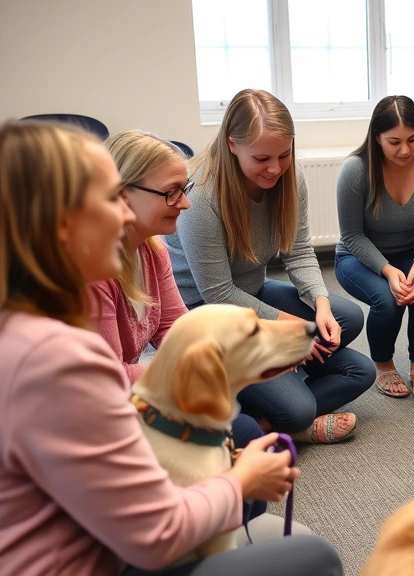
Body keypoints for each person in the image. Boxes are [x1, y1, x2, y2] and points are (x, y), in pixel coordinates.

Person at [0, 120, 342, 575]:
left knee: (235, 440)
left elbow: (177, 329)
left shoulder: (28, 326)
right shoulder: (59, 360)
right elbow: (155, 537)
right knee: (313, 556)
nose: (123, 215)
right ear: (62, 223)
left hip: (105, 534)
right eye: (109, 199)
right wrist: (239, 481)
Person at [89, 129, 281, 527]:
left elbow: (177, 327)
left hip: (133, 392)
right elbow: (106, 378)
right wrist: (197, 374)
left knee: (241, 428)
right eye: (172, 192)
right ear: (124, 192)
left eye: (185, 188)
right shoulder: (95, 272)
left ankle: (226, 534)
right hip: (101, 414)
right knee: (242, 433)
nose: (186, 202)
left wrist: (237, 358)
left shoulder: (151, 250)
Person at [165, 89, 373, 443]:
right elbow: (217, 294)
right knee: (299, 410)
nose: (275, 168)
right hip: (206, 315)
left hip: (250, 292)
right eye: (261, 158)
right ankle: (276, 414)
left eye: (284, 154)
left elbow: (299, 252)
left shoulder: (289, 179)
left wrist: (320, 303)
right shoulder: (201, 195)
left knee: (354, 345)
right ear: (232, 145)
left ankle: (268, 398)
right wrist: (290, 330)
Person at [335, 95, 414, 400]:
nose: (405, 149)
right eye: (394, 141)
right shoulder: (355, 169)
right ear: (377, 138)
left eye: (413, 139)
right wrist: (387, 270)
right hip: (359, 256)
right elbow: (352, 236)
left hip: (413, 253)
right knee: (388, 298)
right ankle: (384, 364)